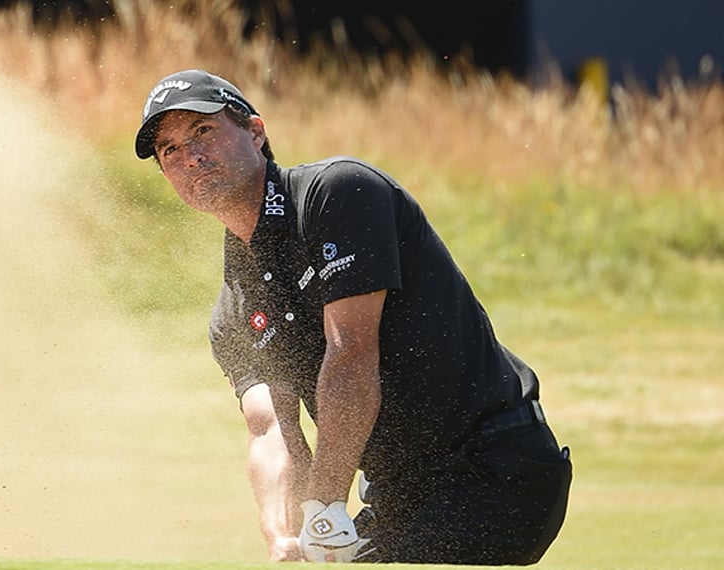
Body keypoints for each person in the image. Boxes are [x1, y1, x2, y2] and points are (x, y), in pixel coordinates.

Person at [133, 69, 572, 564]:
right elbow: (273, 431)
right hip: (396, 497)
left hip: (494, 468)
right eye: (168, 150)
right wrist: (286, 535)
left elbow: (351, 353)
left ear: (255, 133)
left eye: (203, 131)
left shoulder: (338, 194)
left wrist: (323, 504)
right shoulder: (233, 312)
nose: (189, 155)